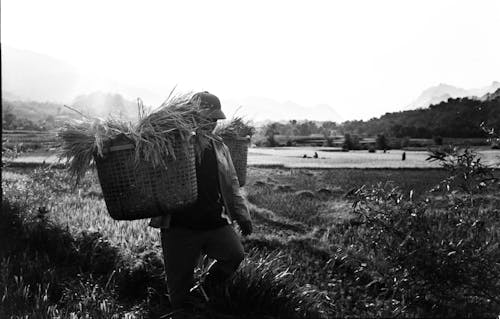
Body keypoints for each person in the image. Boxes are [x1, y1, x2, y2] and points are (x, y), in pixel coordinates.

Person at [149, 91, 253, 313]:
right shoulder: (173, 144)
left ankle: (203, 292)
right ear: (192, 117)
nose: (212, 124)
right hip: (179, 227)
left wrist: (243, 216)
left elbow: (232, 185)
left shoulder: (220, 148)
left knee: (234, 254)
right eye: (207, 118)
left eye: (215, 120)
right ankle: (180, 310)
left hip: (213, 222)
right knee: (178, 291)